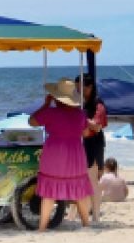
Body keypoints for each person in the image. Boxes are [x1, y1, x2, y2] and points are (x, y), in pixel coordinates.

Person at [29, 79, 94, 230]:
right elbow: (85, 133)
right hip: (75, 154)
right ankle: (86, 224)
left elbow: (31, 121)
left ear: (56, 98)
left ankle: (42, 227)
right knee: (79, 190)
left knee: (49, 191)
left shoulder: (50, 113)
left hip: (54, 154)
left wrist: (45, 104)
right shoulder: (80, 114)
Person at [76, 74, 108, 218]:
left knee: (92, 179)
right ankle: (78, 212)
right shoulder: (81, 103)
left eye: (80, 87)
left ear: (89, 87)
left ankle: (95, 215)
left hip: (93, 142)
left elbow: (97, 126)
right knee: (82, 178)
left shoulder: (97, 104)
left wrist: (81, 117)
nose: (78, 90)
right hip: (82, 142)